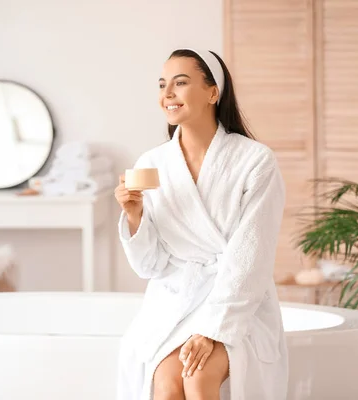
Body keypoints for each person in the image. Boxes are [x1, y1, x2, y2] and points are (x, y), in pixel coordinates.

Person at [114, 48, 288, 400]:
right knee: (165, 383)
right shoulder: (152, 162)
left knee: (198, 377)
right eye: (163, 85)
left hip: (237, 304)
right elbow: (151, 266)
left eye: (180, 83)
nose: (167, 94)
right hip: (174, 302)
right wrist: (135, 215)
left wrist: (212, 329)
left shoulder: (255, 161)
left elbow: (250, 258)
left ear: (213, 93)